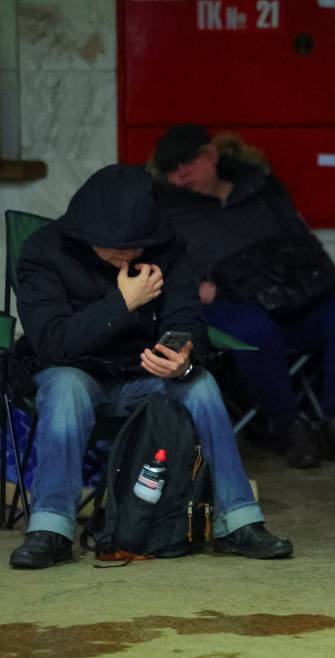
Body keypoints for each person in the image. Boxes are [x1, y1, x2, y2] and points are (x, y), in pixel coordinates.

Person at [8, 165, 292, 569]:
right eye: (115, 246)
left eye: (137, 245)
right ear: (87, 233)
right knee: (66, 386)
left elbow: (188, 317)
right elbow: (54, 345)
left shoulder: (167, 247)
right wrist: (123, 304)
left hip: (143, 376)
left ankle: (239, 521)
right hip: (74, 373)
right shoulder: (44, 252)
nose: (128, 254)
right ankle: (51, 528)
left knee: (202, 385)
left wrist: (183, 357)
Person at [150, 124, 335, 469]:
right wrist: (196, 289)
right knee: (251, 331)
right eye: (171, 171)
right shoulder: (169, 211)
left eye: (187, 163)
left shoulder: (261, 189)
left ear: (209, 155)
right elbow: (162, 267)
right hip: (233, 306)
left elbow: (301, 244)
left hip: (296, 300)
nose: (180, 175)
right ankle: (289, 426)